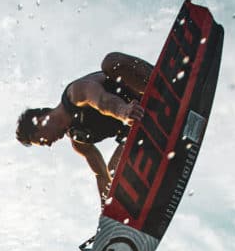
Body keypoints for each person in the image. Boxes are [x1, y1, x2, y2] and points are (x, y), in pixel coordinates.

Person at [16, 52, 153, 203]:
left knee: (111, 62)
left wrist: (123, 111)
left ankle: (159, 87)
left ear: (40, 120)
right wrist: (106, 207)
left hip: (139, 96)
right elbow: (101, 174)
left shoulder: (75, 93)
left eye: (42, 141)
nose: (48, 144)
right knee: (115, 177)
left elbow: (102, 101)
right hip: (138, 124)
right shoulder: (78, 140)